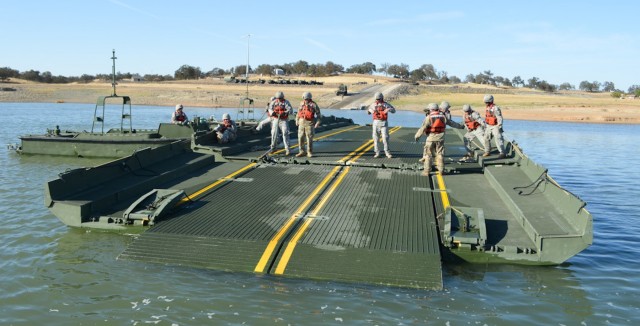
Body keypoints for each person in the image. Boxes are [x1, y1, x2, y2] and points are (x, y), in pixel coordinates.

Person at [415, 103, 464, 176]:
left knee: (428, 155)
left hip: (431, 138)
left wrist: (417, 136)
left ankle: (426, 171)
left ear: (431, 109)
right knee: (440, 154)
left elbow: (423, 127)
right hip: (440, 138)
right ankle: (441, 171)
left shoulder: (429, 117)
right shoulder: (443, 116)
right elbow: (451, 123)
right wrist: (461, 126)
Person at [367, 92, 396, 158]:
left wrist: (389, 109)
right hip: (375, 123)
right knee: (375, 139)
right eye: (376, 99)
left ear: (381, 98)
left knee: (385, 138)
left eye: (379, 99)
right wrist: (371, 111)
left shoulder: (386, 105)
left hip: (383, 123)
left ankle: (387, 152)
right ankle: (377, 152)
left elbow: (394, 111)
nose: (377, 100)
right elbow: (368, 112)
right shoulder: (373, 105)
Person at [296, 92, 322, 158]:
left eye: (305, 98)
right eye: (304, 98)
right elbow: (298, 113)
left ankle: (309, 152)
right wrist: (297, 120)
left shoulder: (313, 105)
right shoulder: (301, 104)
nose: (305, 100)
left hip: (309, 123)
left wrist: (317, 123)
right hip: (301, 122)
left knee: (309, 138)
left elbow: (319, 115)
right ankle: (302, 151)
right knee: (300, 137)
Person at [268, 91, 293, 155]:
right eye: (278, 98)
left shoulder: (286, 102)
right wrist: (272, 112)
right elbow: (270, 108)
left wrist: (285, 112)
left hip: (283, 120)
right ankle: (273, 148)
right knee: (274, 133)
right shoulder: (274, 102)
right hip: (276, 119)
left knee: (285, 133)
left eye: (280, 98)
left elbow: (290, 110)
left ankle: (287, 149)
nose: (279, 99)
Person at [482, 94, 506, 158]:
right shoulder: (487, 108)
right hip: (488, 126)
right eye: (485, 102)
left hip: (495, 126)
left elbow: (499, 117)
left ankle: (502, 152)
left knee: (498, 138)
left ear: (490, 101)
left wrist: (500, 125)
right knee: (486, 138)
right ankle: (487, 151)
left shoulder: (495, 108)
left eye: (487, 102)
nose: (486, 103)